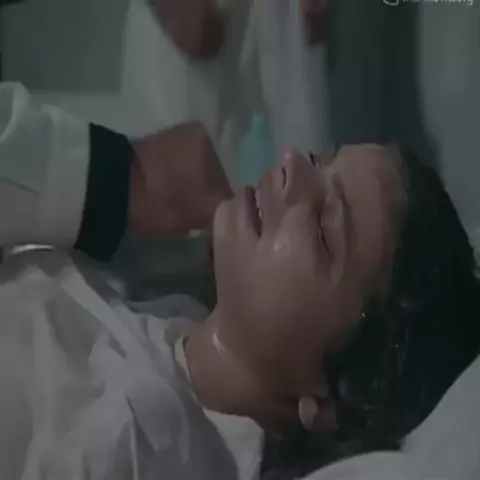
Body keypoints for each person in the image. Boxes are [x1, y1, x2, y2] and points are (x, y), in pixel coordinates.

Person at [0, 82, 479, 480]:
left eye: (323, 227)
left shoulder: (136, 445)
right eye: (317, 160)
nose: (290, 163)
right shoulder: (160, 323)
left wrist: (109, 176)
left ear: (341, 396)